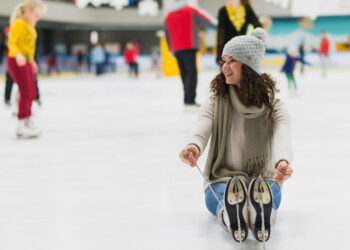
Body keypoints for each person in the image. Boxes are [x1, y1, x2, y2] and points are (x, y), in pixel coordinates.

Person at [179, 28, 293, 243]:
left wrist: (282, 161)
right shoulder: (216, 101)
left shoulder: (274, 106)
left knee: (269, 190)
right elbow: (203, 125)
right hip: (223, 176)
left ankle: (264, 215)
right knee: (221, 194)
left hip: (261, 177)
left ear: (248, 65)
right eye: (224, 60)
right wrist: (194, 146)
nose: (225, 67)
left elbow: (282, 133)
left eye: (232, 61)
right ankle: (231, 215)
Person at [165, 0, 217, 107]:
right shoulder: (190, 10)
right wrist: (220, 27)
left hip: (176, 48)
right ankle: (190, 100)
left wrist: (171, 48)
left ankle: (187, 99)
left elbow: (167, 33)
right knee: (191, 74)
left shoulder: (168, 15)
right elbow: (206, 20)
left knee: (184, 74)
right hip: (189, 46)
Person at [7, 0, 46, 138]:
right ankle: (21, 123)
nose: (38, 18)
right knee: (25, 92)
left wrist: (32, 61)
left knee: (31, 91)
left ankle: (27, 118)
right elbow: (12, 43)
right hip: (16, 60)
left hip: (26, 61)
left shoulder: (30, 26)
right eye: (36, 14)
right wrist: (18, 54)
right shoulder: (18, 23)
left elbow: (29, 48)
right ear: (28, 11)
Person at [216, 0, 261, 66]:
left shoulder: (247, 9)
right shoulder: (223, 11)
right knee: (228, 74)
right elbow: (221, 34)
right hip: (227, 50)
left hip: (243, 50)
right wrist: (219, 53)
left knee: (243, 74)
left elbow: (258, 28)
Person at [0, 26, 15, 107]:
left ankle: (36, 98)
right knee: (9, 80)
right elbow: (3, 46)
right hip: (11, 60)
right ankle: (7, 99)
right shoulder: (7, 31)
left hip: (22, 60)